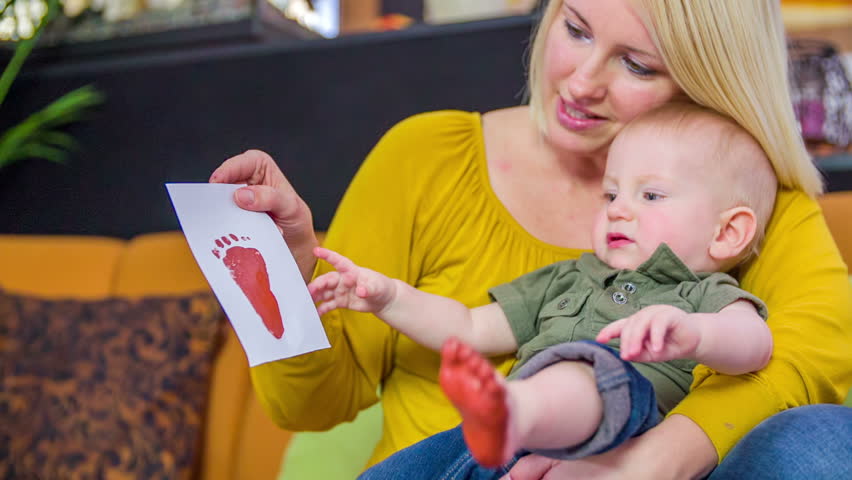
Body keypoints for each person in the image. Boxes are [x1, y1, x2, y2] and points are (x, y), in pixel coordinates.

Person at [208, 0, 852, 477]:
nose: (580, 83)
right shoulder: (424, 158)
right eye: (574, 29)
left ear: (705, 87)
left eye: (635, 64)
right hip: (461, 464)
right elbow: (311, 406)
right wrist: (290, 274)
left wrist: (653, 462)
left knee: (819, 439)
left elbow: (810, 359)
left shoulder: (746, 199)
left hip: (634, 453)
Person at [307, 103, 777, 478]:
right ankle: (508, 411)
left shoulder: (703, 293)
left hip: (620, 446)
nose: (618, 211)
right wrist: (390, 297)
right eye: (611, 195)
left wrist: (695, 335)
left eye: (650, 196)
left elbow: (756, 345)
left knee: (597, 372)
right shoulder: (570, 276)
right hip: (503, 450)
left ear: (728, 233)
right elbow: (468, 327)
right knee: (411, 467)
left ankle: (513, 409)